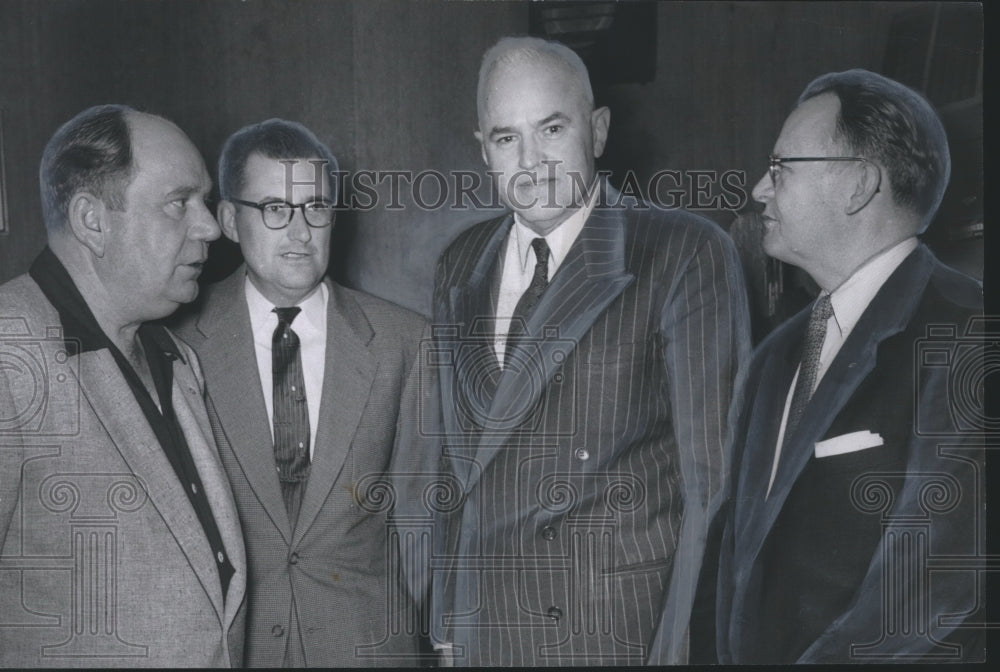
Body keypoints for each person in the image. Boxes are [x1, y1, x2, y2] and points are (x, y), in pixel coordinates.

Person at [429, 36, 750, 665]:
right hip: (489, 634)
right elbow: (452, 464)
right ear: (483, 150)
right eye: (505, 138)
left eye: (552, 128)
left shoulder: (683, 251)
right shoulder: (459, 263)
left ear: (597, 131)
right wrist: (448, 630)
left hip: (615, 635)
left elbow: (713, 488)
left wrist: (680, 654)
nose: (531, 160)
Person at [715, 69, 984, 663]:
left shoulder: (972, 334)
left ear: (858, 185)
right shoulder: (775, 358)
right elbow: (737, 562)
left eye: (781, 168)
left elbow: (930, 591)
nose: (760, 189)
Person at [172, 119, 429, 666]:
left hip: (368, 649)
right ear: (229, 221)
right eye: (274, 209)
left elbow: (424, 520)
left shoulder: (405, 341)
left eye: (316, 208)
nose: (299, 231)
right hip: (233, 649)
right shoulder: (174, 342)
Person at [0, 104, 245, 666]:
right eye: (179, 203)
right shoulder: (9, 353)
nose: (210, 226)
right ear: (92, 220)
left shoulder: (176, 358)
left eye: (203, 202)